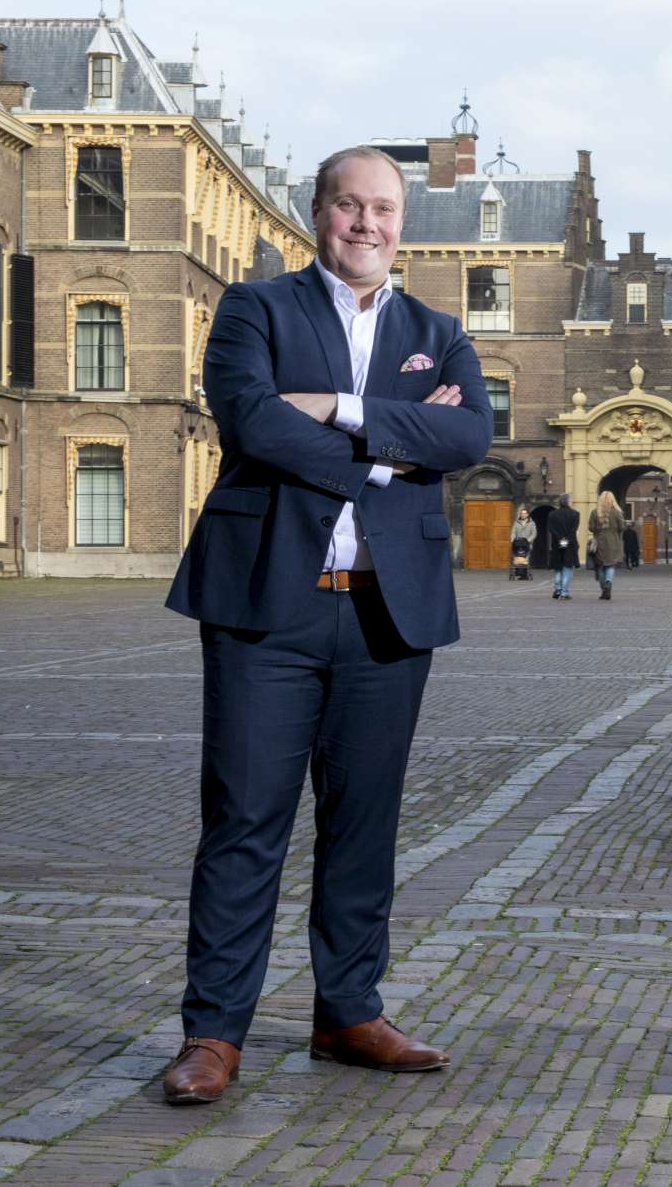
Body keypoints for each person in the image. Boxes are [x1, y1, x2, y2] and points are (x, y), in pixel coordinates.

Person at [161, 145, 493, 1103]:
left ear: (402, 222)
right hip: (269, 602)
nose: (366, 224)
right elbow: (254, 425)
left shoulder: (440, 330)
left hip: (388, 614)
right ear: (317, 214)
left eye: (383, 208)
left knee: (366, 823)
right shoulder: (253, 309)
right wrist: (391, 449)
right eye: (349, 206)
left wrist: (342, 407)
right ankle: (214, 1034)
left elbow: (470, 435)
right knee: (244, 820)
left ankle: (348, 1011)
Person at [588, 492, 625, 601]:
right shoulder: (617, 513)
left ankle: (604, 588)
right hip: (614, 543)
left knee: (600, 566)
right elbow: (622, 527)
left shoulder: (594, 513)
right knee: (610, 565)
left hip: (599, 543)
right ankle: (608, 582)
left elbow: (591, 528)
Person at [547, 495, 580, 600]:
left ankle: (557, 589)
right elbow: (573, 530)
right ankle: (564, 592)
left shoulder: (552, 514)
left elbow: (551, 529)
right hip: (569, 545)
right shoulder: (575, 514)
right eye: (571, 500)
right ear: (567, 502)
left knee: (558, 568)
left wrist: (560, 540)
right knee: (567, 568)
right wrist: (565, 541)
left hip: (557, 544)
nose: (572, 502)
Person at [511, 506, 536, 582]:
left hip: (527, 544)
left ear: (527, 515)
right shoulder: (516, 523)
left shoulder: (532, 523)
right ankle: (519, 573)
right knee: (518, 558)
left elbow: (534, 533)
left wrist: (528, 540)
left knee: (526, 558)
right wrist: (512, 539)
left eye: (525, 514)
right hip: (518, 544)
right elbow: (513, 532)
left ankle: (524, 574)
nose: (523, 515)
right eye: (522, 513)